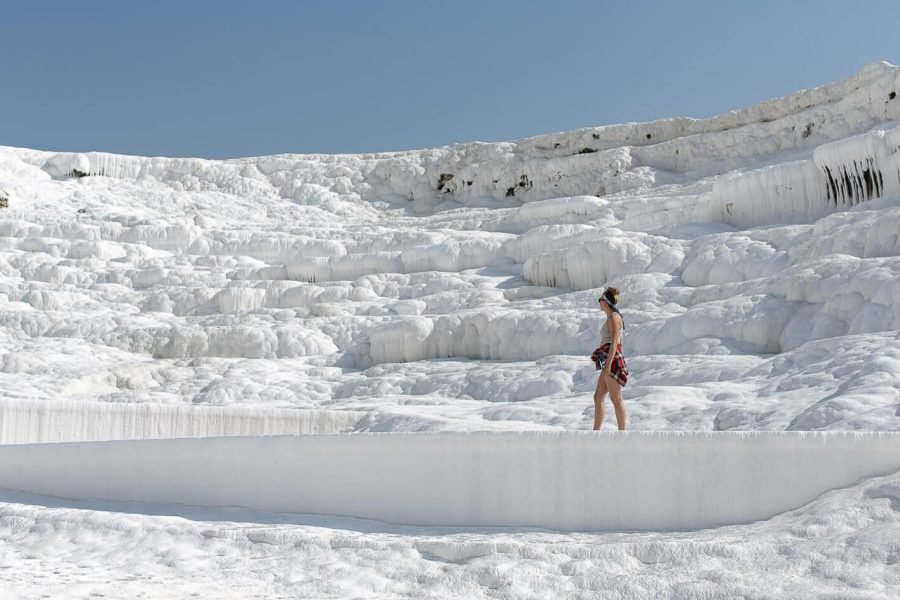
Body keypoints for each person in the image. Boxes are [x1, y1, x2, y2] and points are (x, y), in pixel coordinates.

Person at [591, 287, 628, 430]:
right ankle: (596, 432)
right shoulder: (612, 317)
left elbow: (615, 343)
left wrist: (608, 367)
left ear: (606, 302)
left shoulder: (614, 317)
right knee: (598, 397)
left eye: (600, 299)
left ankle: (622, 433)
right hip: (610, 359)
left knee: (616, 399)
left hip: (611, 360)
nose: (599, 302)